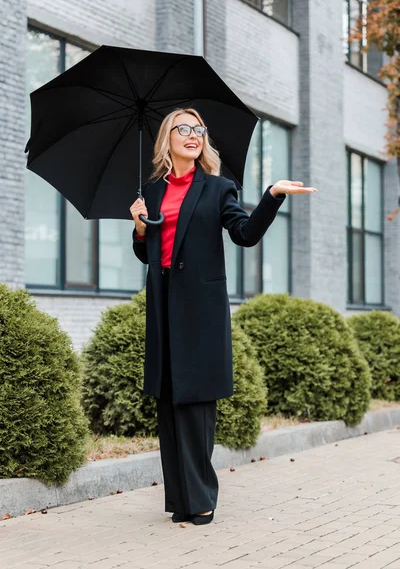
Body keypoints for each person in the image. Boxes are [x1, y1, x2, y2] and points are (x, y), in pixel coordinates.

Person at [130, 108, 317, 526]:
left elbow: (245, 234)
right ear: (168, 139)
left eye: (199, 129)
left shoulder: (218, 188)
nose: (193, 135)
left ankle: (202, 499)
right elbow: (146, 253)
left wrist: (272, 195)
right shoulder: (150, 192)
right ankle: (180, 500)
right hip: (163, 306)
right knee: (168, 402)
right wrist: (140, 227)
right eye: (184, 129)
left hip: (200, 309)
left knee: (196, 404)